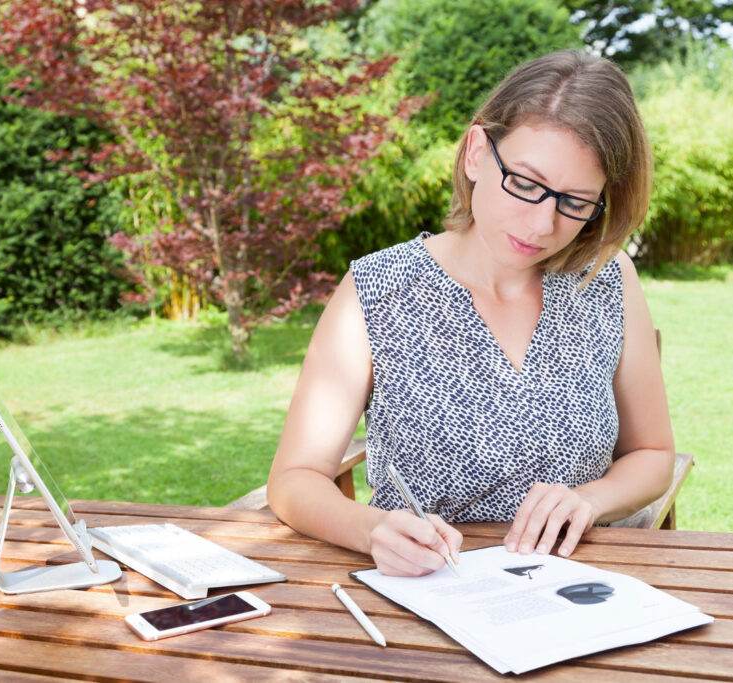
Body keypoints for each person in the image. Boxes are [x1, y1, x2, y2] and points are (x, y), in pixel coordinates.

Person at [267, 49, 675, 576]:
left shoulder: (607, 279)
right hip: (430, 590)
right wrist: (371, 531)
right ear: (477, 152)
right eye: (525, 184)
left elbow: (653, 453)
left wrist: (592, 499)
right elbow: (295, 477)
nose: (541, 224)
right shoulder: (379, 289)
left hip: (579, 593)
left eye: (575, 202)